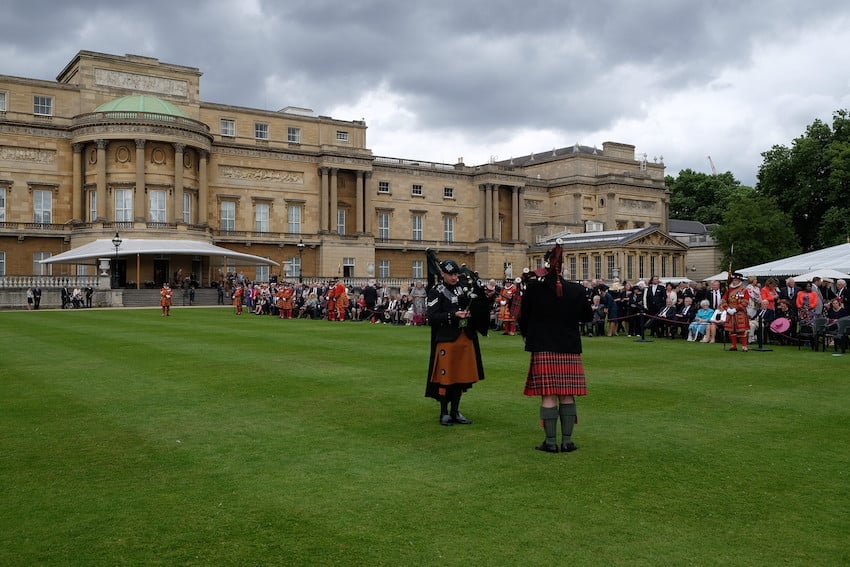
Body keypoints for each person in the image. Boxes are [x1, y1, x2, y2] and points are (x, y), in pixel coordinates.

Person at [518, 241, 593, 453]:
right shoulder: (576, 290)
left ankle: (550, 442)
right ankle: (567, 441)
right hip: (568, 346)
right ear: (563, 267)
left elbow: (523, 318)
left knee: (548, 395)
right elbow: (587, 317)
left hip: (543, 346)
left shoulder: (533, 289)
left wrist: (528, 336)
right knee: (568, 394)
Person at [425, 259, 495, 427]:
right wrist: (453, 315)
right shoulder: (436, 291)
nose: (454, 277)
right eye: (451, 274)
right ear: (442, 274)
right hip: (447, 337)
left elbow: (475, 306)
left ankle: (455, 411)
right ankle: (444, 413)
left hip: (465, 336)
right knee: (445, 377)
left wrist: (485, 300)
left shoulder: (462, 288)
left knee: (460, 377)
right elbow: (432, 316)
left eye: (456, 274)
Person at [722, 272, 751, 352]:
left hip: (740, 312)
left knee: (742, 330)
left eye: (736, 280)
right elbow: (724, 300)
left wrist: (736, 309)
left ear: (739, 280)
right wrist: (727, 309)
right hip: (730, 312)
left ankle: (744, 346)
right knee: (732, 330)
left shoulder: (744, 290)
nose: (734, 281)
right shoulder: (729, 290)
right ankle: (733, 345)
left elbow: (745, 302)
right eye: (733, 280)